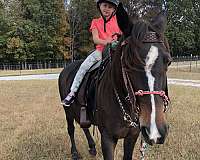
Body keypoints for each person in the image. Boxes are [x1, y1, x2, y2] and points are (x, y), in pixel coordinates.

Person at [61, 0, 121, 107]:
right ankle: (72, 93)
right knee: (84, 67)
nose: (107, 9)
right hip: (100, 52)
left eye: (110, 7)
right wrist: (108, 43)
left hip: (115, 52)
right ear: (99, 6)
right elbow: (96, 39)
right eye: (105, 5)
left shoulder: (118, 22)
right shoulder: (95, 22)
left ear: (114, 10)